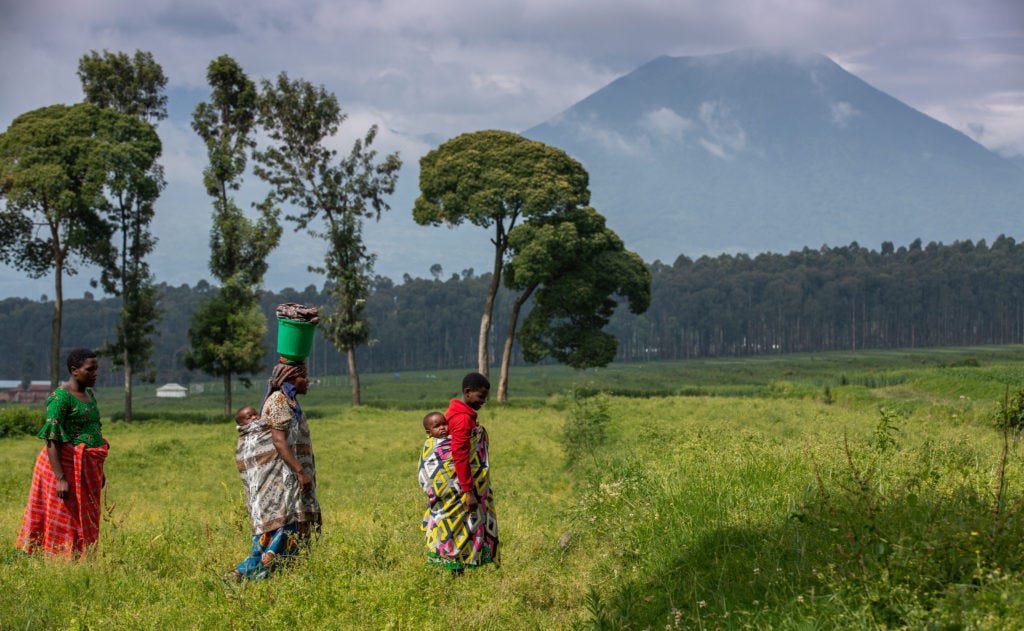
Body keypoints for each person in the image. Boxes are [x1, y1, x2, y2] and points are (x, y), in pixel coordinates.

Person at [227, 359, 321, 581]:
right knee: (282, 527)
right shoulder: (279, 401)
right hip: (284, 479)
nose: (307, 381)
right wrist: (300, 471)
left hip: (289, 477)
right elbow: (279, 441)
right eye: (304, 377)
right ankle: (246, 574)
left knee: (292, 528)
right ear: (292, 378)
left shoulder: (288, 401)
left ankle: (284, 578)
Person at [16, 348, 109, 558]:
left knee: (86, 516)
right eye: (90, 369)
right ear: (74, 370)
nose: (95, 374)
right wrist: (60, 478)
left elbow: (93, 431)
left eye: (96, 369)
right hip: (62, 467)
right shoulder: (60, 398)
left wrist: (99, 470)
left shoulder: (89, 395)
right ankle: (59, 561)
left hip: (87, 466)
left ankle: (83, 560)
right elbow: (52, 439)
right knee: (66, 517)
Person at [419, 373, 499, 571]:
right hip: (460, 487)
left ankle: (457, 571)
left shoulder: (457, 412)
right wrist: (468, 491)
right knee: (460, 527)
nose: (483, 402)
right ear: (468, 392)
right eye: (480, 397)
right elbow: (460, 456)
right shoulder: (463, 419)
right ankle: (457, 571)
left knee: (459, 526)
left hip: (460, 484)